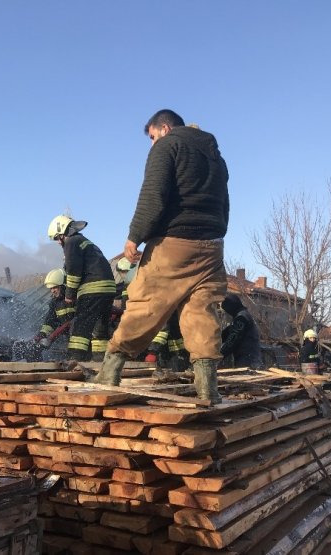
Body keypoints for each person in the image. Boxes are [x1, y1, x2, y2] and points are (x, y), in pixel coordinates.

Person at [92, 109, 229, 405]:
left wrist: (134, 235)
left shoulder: (168, 146)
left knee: (144, 304)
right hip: (212, 247)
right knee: (201, 314)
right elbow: (224, 205)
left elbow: (153, 195)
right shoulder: (215, 156)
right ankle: (207, 389)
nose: (152, 143)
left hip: (173, 244)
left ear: (164, 128)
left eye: (152, 137)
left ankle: (108, 373)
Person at [47, 215, 117, 362]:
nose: (58, 243)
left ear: (62, 233)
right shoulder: (85, 242)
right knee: (99, 329)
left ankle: (74, 361)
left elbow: (73, 271)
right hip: (108, 289)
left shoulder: (71, 242)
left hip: (93, 289)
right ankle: (99, 363)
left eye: (57, 238)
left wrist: (69, 294)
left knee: (80, 327)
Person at [219, 293, 264, 369]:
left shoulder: (241, 318)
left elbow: (232, 340)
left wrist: (219, 356)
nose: (228, 313)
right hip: (250, 360)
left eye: (227, 309)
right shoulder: (243, 316)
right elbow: (227, 333)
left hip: (248, 362)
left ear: (231, 307)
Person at [36, 268, 76, 348]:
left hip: (80, 337)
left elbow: (74, 321)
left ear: (64, 286)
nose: (52, 291)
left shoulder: (75, 298)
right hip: (66, 337)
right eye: (51, 288)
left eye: (55, 287)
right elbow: (50, 321)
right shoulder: (54, 303)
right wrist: (42, 334)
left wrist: (53, 335)